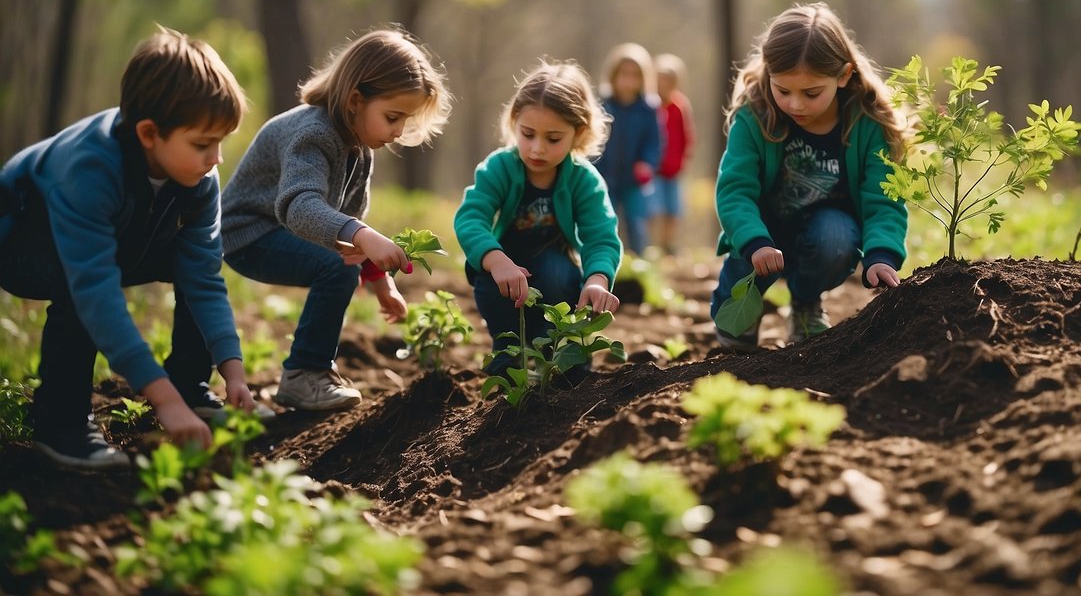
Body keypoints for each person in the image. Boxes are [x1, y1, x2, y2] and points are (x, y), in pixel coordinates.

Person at [0, 28, 259, 469]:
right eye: (202, 144)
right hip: (23, 247)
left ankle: (190, 384)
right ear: (148, 133)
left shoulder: (199, 179)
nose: (216, 158)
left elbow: (203, 276)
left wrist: (232, 369)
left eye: (221, 142)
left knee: (192, 266)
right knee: (81, 293)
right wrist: (159, 397)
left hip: (121, 239)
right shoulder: (89, 168)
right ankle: (61, 423)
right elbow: (96, 292)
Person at [222, 27, 450, 411]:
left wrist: (379, 282)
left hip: (280, 227)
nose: (397, 131)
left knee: (340, 261)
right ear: (356, 99)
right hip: (248, 232)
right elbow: (298, 205)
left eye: (405, 121)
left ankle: (309, 372)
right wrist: (361, 235)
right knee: (334, 266)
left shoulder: (359, 145)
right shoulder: (315, 133)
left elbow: (348, 222)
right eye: (392, 117)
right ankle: (304, 373)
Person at [712, 2, 908, 351]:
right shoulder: (755, 115)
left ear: (844, 75)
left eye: (811, 93)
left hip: (824, 233)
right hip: (761, 232)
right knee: (733, 339)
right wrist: (754, 242)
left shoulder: (867, 122)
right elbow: (735, 190)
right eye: (783, 90)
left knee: (836, 236)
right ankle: (746, 298)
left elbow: (884, 196)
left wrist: (881, 253)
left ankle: (804, 302)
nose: (795, 105)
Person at [454, 61, 622, 377]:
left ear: (579, 133)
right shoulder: (500, 168)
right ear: (514, 121)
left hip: (554, 273)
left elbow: (601, 236)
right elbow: (471, 217)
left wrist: (598, 278)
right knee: (490, 280)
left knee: (558, 274)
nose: (537, 149)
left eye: (553, 138)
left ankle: (562, 354)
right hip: (503, 268)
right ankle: (508, 356)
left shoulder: (583, 180)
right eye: (528, 134)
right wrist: (495, 259)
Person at [593, 43, 662, 253]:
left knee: (637, 223)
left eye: (635, 75)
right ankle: (608, 262)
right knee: (606, 221)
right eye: (624, 74)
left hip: (635, 180)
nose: (629, 80)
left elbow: (655, 142)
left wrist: (647, 163)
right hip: (605, 176)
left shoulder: (648, 109)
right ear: (613, 75)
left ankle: (639, 264)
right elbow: (591, 140)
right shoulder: (602, 106)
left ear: (643, 78)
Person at [650, 53, 695, 255]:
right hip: (654, 169)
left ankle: (668, 244)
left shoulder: (680, 106)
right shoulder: (651, 105)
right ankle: (652, 245)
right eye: (660, 80)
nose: (664, 85)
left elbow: (687, 135)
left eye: (669, 81)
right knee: (653, 208)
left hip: (673, 168)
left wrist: (684, 158)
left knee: (673, 209)